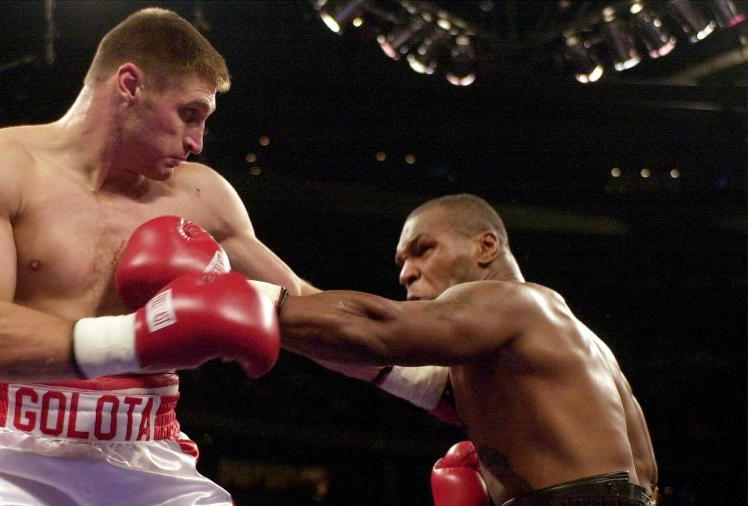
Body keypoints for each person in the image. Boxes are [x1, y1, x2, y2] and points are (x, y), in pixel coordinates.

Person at [0, 7, 312, 505]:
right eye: (189, 114)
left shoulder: (202, 197)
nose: (196, 142)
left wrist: (421, 376)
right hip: (5, 448)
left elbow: (298, 305)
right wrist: (143, 337)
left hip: (147, 452)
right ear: (130, 85)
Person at [276, 193, 659, 505]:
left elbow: (378, 331)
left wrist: (249, 303)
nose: (405, 272)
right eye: (403, 260)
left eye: (423, 249)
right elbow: (371, 359)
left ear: (486, 246)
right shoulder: (574, 343)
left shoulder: (509, 301)